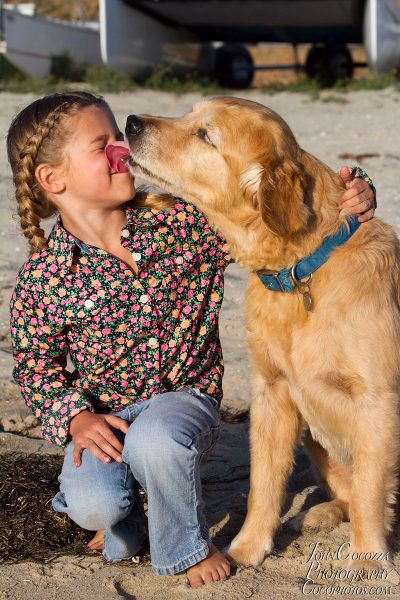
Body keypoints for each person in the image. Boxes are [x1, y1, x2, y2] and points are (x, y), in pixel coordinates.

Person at [7, 91, 376, 588]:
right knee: (95, 504)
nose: (121, 145)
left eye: (118, 134)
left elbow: (268, 218)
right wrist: (74, 416)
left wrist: (349, 196)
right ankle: (116, 511)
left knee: (158, 443)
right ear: (53, 180)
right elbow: (34, 365)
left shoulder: (182, 225)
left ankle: (185, 549)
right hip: (107, 418)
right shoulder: (44, 277)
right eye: (103, 144)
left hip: (182, 406)